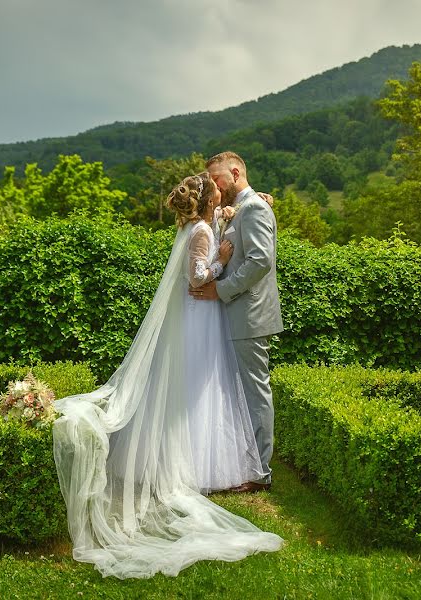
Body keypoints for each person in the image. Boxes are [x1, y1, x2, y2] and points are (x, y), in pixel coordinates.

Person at [52, 173, 282, 579]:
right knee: (197, 388)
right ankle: (195, 466)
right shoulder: (200, 233)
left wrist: (244, 206)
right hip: (200, 315)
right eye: (216, 191)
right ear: (209, 200)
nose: (220, 192)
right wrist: (223, 262)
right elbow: (197, 277)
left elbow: (225, 219)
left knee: (205, 388)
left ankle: (208, 462)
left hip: (205, 316)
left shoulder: (203, 224)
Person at [191, 151, 283, 493]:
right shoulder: (236, 208)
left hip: (249, 314)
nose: (213, 185)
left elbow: (260, 261)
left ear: (235, 173)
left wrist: (222, 290)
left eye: (217, 179)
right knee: (236, 392)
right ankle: (240, 462)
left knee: (255, 391)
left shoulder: (256, 208)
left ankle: (259, 472)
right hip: (231, 313)